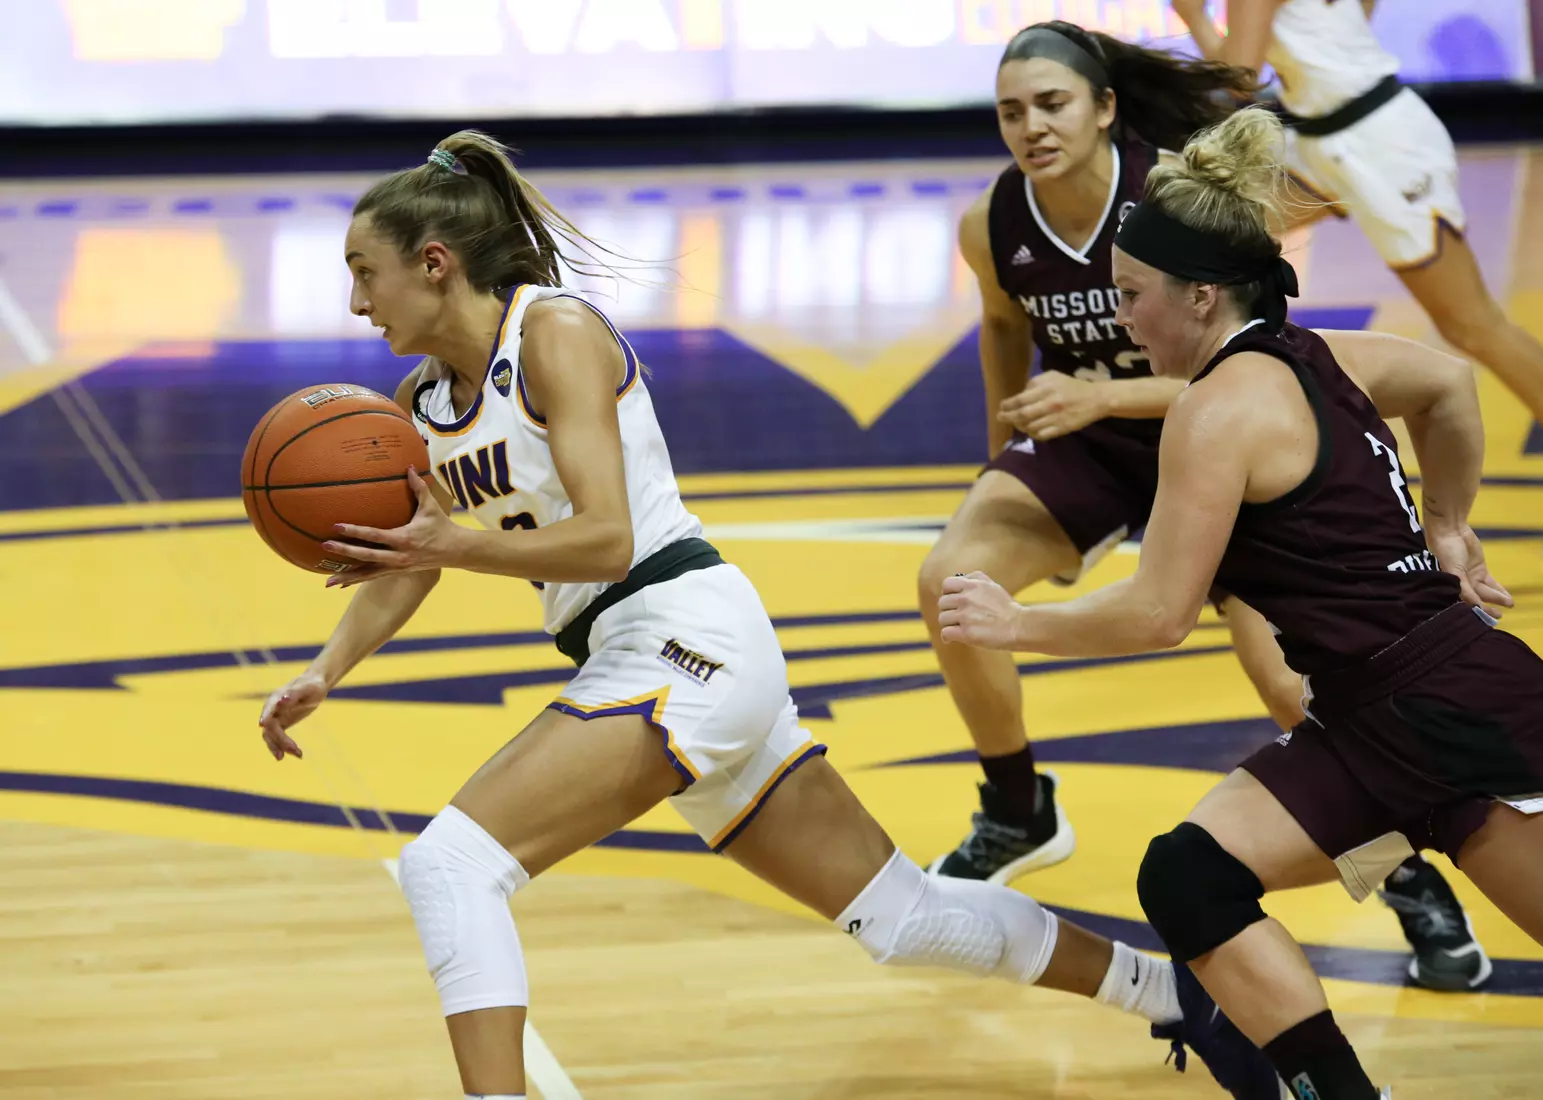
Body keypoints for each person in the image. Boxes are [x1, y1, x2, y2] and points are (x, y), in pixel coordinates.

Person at [252, 132, 1279, 1100]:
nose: (356, 301)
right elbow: (413, 558)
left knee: (450, 864)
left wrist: (457, 546)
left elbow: (605, 537)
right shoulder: (421, 403)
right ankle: (1178, 992)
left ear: (434, 263)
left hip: (677, 629)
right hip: (646, 649)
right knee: (903, 918)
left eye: (364, 271)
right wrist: (327, 668)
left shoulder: (554, 332)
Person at [937, 106, 1543, 1100]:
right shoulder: (1318, 354)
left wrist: (1018, 623)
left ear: (1200, 294)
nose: (1121, 322)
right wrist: (1447, 525)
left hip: (1456, 712)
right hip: (1359, 725)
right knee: (1189, 876)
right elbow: (1446, 385)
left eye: (1131, 296)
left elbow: (1158, 614)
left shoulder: (1214, 410)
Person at [1170, 0, 1543, 426]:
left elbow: (1241, 80)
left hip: (1376, 145)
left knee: (1471, 324)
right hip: (1323, 140)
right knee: (1214, 236)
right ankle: (1241, 396)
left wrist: (1193, 16)